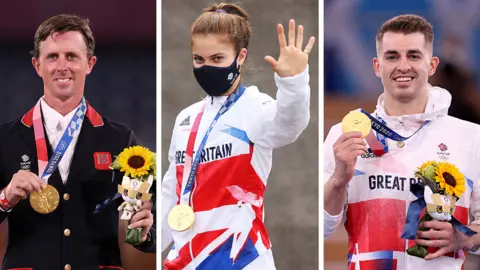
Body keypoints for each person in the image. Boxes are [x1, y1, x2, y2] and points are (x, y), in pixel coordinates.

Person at [161, 3, 315, 269]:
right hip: (184, 260)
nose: (206, 67)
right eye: (199, 60)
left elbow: (290, 125)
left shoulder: (255, 107)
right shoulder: (186, 118)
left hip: (241, 258)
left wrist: (294, 83)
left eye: (217, 59)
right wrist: (149, 239)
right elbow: (171, 191)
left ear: (240, 56)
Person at [324, 14, 480, 269]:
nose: (403, 66)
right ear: (377, 66)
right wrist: (339, 178)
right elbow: (322, 227)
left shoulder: (472, 138)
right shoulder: (345, 135)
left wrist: (464, 237)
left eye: (414, 56)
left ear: (432, 65)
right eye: (392, 56)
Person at [0, 14, 155, 270]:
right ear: (37, 66)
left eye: (71, 56)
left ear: (90, 63)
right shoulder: (5, 138)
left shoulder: (121, 140)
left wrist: (144, 230)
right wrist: (5, 197)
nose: (62, 66)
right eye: (52, 57)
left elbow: (143, 227)